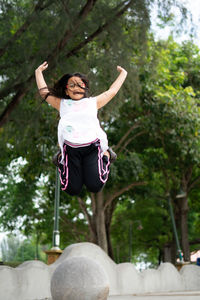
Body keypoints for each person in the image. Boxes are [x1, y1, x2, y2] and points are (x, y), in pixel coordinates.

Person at [35, 61, 127, 195]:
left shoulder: (92, 102)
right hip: (71, 149)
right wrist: (38, 72)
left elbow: (112, 91)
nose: (76, 87)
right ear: (66, 90)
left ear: (85, 88)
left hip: (92, 147)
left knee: (95, 186)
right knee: (71, 189)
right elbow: (44, 93)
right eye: (72, 85)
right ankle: (61, 158)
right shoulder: (62, 104)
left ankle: (106, 155)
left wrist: (123, 74)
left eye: (80, 84)